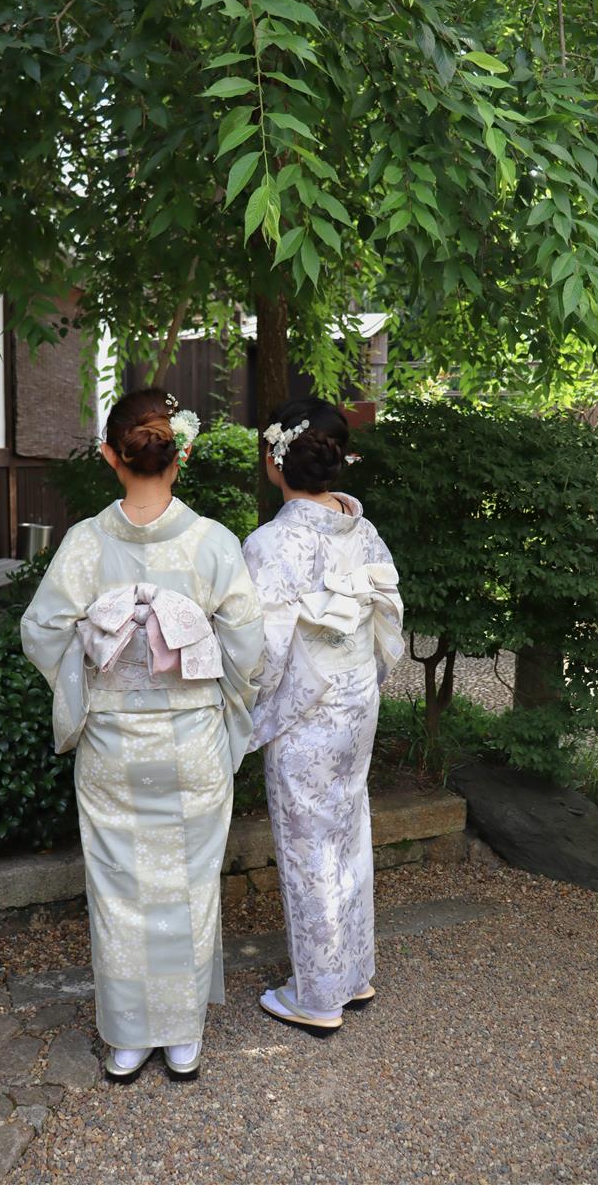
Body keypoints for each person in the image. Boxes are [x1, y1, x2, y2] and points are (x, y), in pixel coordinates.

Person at [21, 389, 263, 1081]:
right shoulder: (213, 542)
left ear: (110, 456)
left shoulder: (85, 543)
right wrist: (212, 687)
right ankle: (182, 1038)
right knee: (189, 884)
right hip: (191, 745)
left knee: (119, 889)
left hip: (114, 747)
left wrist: (98, 661)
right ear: (180, 451)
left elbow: (41, 631)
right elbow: (248, 647)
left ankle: (128, 1037)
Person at [243, 398, 404, 1033]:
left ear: (275, 459)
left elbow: (259, 650)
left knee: (307, 842)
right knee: (348, 829)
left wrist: (245, 708)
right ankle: (353, 972)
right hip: (356, 695)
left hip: (304, 708)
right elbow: (384, 613)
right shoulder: (361, 529)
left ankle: (317, 996)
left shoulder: (271, 543)